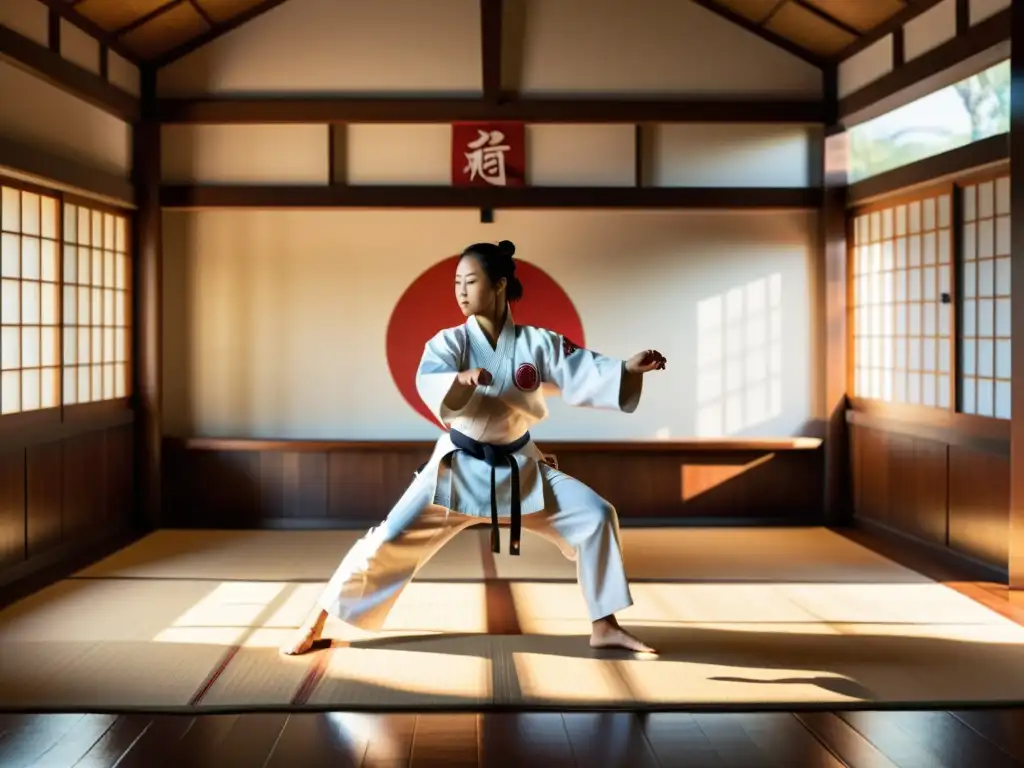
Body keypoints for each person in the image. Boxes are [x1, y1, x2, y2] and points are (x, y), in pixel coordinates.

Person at [281, 239, 667, 656]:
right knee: (388, 538)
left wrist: (626, 369)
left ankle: (604, 624)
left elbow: (582, 369)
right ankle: (317, 617)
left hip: (520, 468)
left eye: (471, 281)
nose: (461, 291)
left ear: (500, 284)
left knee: (595, 515)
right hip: (457, 467)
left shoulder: (538, 343)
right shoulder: (448, 343)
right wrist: (458, 381)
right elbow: (431, 378)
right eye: (457, 283)